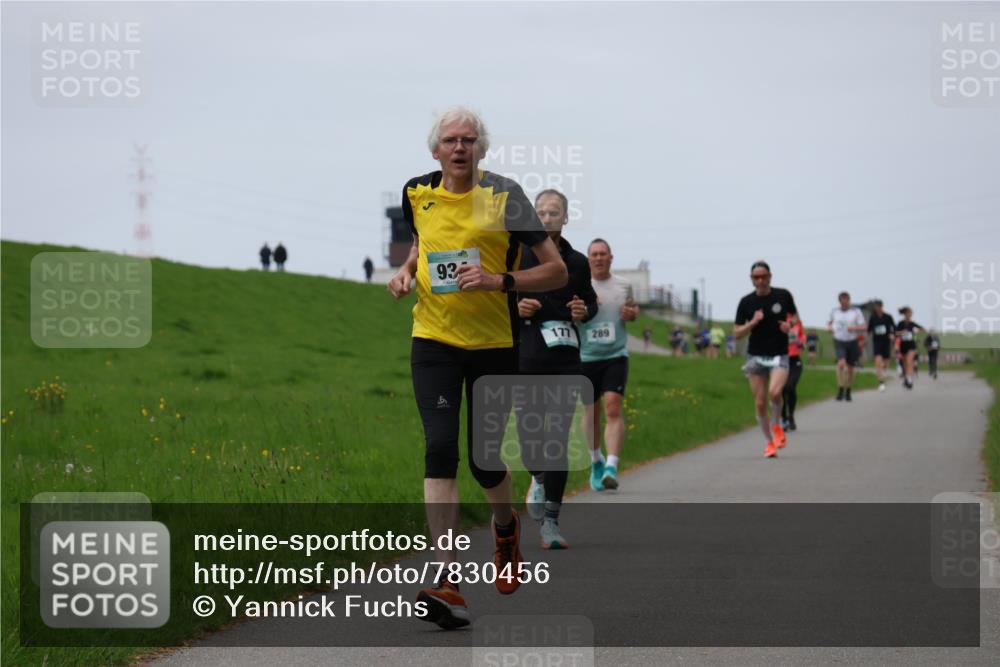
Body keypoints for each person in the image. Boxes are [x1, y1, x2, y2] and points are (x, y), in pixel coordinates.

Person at [387, 106, 567, 629]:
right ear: (435, 149)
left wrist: (498, 282)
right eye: (451, 140)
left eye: (469, 140)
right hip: (434, 339)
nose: (460, 148)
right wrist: (404, 273)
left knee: (485, 461)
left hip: (494, 343)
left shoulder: (505, 196)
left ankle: (506, 527)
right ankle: (446, 578)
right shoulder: (416, 192)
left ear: (481, 148)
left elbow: (554, 270)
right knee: (439, 448)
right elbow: (422, 245)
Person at [517, 189, 598, 549]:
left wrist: (584, 311)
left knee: (558, 440)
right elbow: (497, 297)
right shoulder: (518, 253)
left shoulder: (577, 262)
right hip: (528, 355)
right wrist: (517, 309)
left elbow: (590, 302)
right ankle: (536, 477)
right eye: (541, 212)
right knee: (530, 439)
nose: (547, 218)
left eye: (554, 213)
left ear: (565, 218)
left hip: (566, 358)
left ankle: (551, 523)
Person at [579, 238, 638, 491]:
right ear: (588, 258)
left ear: (611, 257)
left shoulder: (624, 286)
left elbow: (633, 310)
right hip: (584, 357)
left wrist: (632, 314)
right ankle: (596, 462)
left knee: (613, 408)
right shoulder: (579, 285)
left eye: (603, 254)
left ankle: (612, 466)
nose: (599, 258)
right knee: (590, 414)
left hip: (615, 355)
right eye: (594, 254)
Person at [733, 260, 797, 458]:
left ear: (770, 276)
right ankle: (769, 443)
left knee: (775, 391)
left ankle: (777, 424)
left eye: (763, 276)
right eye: (756, 277)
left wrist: (789, 325)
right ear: (751, 279)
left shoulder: (783, 295)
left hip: (779, 354)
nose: (760, 280)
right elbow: (736, 333)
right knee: (760, 402)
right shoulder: (746, 302)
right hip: (756, 356)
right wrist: (752, 322)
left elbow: (794, 317)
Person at [827, 291, 866, 402]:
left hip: (852, 341)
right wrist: (829, 327)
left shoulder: (856, 311)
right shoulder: (834, 311)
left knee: (850, 368)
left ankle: (848, 390)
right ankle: (840, 389)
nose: (844, 302)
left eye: (846, 300)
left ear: (849, 300)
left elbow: (863, 326)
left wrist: (854, 328)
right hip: (839, 340)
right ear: (839, 301)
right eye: (842, 300)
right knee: (841, 364)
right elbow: (830, 322)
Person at [782, 313, 805, 430]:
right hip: (780, 359)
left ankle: (791, 415)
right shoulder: (777, 318)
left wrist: (801, 342)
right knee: (780, 390)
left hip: (794, 360)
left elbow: (802, 335)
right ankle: (783, 418)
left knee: (790, 387)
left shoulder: (796, 320)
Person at [867, 299, 895, 391]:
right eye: (876, 307)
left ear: (882, 307)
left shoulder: (888, 317)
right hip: (877, 342)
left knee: (886, 363)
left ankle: (884, 370)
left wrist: (891, 334)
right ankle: (881, 382)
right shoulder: (873, 317)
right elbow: (869, 329)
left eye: (879, 307)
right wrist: (864, 337)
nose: (877, 308)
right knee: (878, 361)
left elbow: (893, 328)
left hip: (886, 341)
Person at [895, 307, 924, 390]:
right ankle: (906, 379)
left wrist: (917, 332)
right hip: (903, 345)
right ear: (905, 314)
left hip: (911, 345)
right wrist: (902, 332)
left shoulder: (912, 323)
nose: (910, 314)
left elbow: (922, 329)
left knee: (909, 361)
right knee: (905, 364)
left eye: (911, 313)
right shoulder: (900, 323)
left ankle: (909, 380)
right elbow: (895, 332)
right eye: (908, 313)